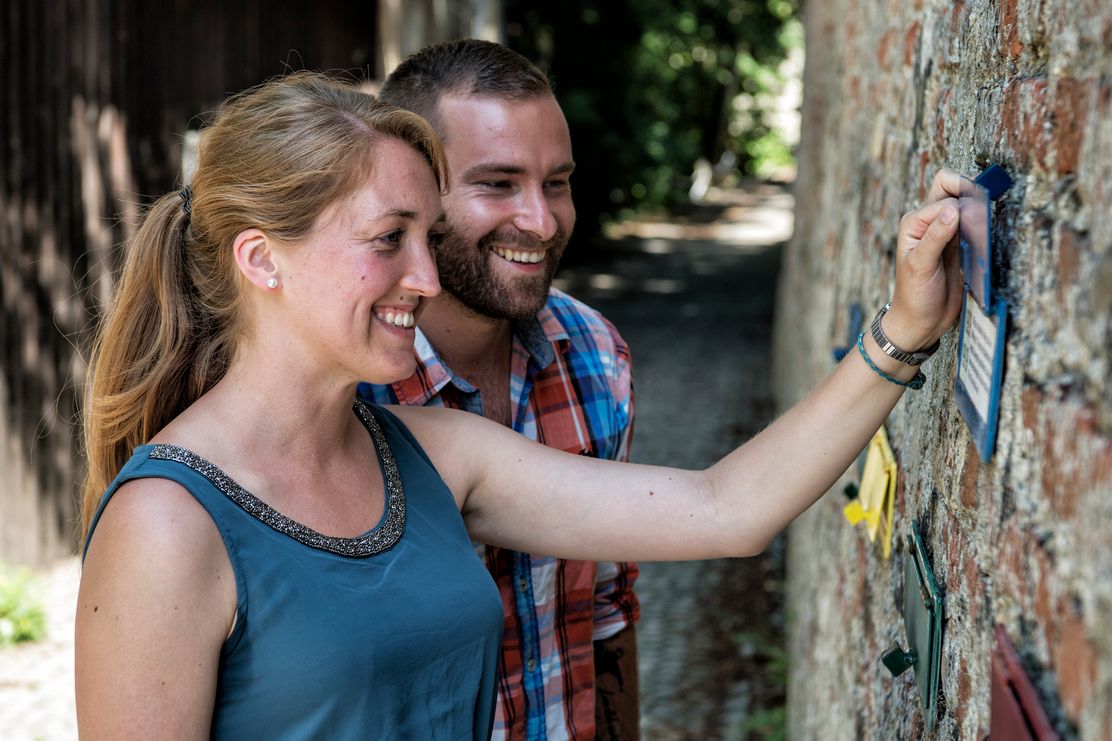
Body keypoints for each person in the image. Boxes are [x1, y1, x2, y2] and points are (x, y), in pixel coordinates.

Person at [75, 70, 965, 740]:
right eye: (388, 240)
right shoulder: (167, 522)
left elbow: (724, 507)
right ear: (261, 259)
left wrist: (904, 330)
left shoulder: (433, 453)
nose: (426, 279)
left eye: (427, 237)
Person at [360, 40, 639, 741]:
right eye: (498, 183)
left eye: (557, 183)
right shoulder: (344, 392)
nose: (540, 222)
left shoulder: (595, 354)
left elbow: (607, 608)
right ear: (413, 192)